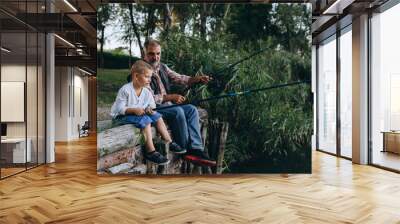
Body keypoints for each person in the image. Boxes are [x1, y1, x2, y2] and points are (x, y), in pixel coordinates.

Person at [143, 39, 216, 166]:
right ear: (144, 53)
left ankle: (197, 148)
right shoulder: (141, 70)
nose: (155, 57)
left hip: (166, 106)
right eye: (151, 54)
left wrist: (197, 79)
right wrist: (170, 97)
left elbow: (180, 78)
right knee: (178, 111)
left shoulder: (163, 67)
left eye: (158, 53)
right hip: (152, 109)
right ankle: (185, 149)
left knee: (192, 109)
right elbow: (147, 98)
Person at [110, 60, 186, 165]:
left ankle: (169, 141)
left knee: (157, 116)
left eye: (150, 77)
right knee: (146, 120)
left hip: (137, 115)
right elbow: (119, 109)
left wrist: (150, 109)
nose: (149, 80)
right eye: (147, 77)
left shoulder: (146, 92)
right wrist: (133, 110)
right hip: (121, 117)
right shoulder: (125, 90)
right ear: (136, 76)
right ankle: (151, 151)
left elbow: (152, 105)